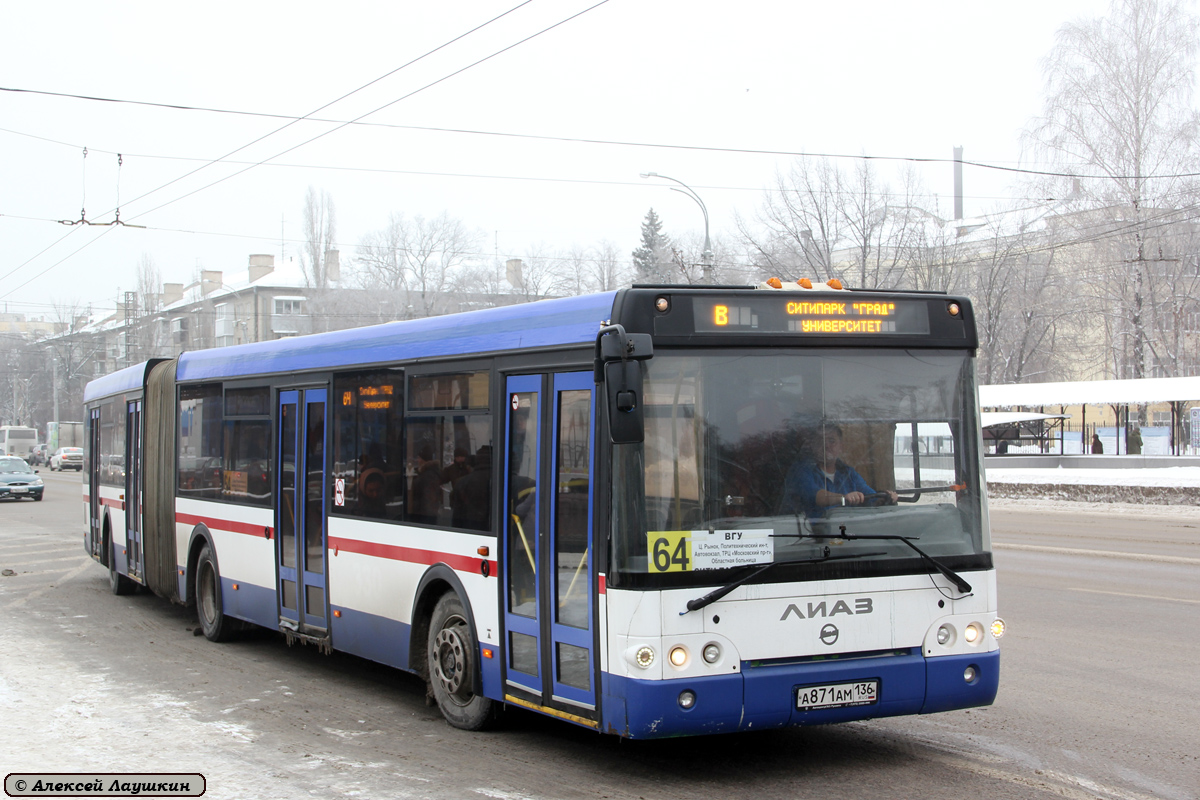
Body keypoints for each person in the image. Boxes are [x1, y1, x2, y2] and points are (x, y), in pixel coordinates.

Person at [779, 423, 898, 518]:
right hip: (810, 538)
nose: (826, 445)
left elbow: (870, 496)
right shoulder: (801, 471)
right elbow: (816, 496)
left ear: (841, 446)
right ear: (813, 446)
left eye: (832, 441)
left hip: (846, 536)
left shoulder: (849, 473)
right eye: (821, 441)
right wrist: (844, 498)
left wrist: (885, 498)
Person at [408, 444, 443, 525]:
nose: (417, 460)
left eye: (419, 458)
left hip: (424, 519)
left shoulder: (428, 476)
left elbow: (427, 503)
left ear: (423, 460)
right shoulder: (430, 473)